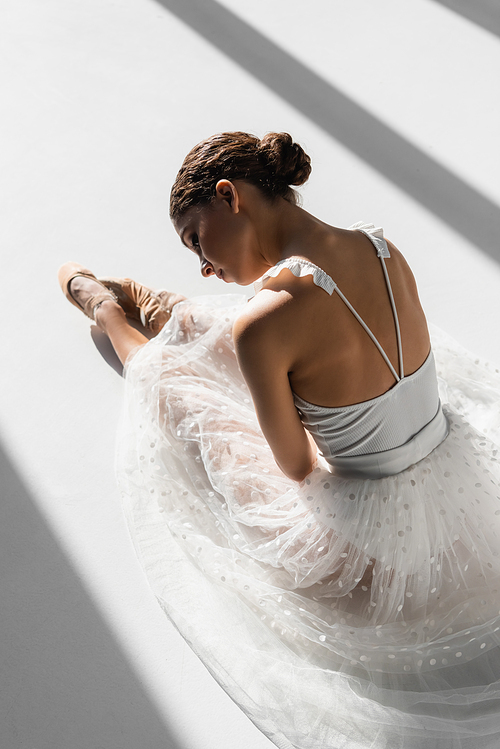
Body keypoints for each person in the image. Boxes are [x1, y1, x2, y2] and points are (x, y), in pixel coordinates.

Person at [58, 132, 500, 749]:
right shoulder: (382, 246)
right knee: (260, 336)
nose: (205, 264)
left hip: (374, 552)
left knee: (180, 391)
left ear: (228, 196)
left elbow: (295, 467)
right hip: (466, 494)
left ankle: (111, 312)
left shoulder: (262, 325)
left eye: (195, 239)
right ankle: (169, 313)